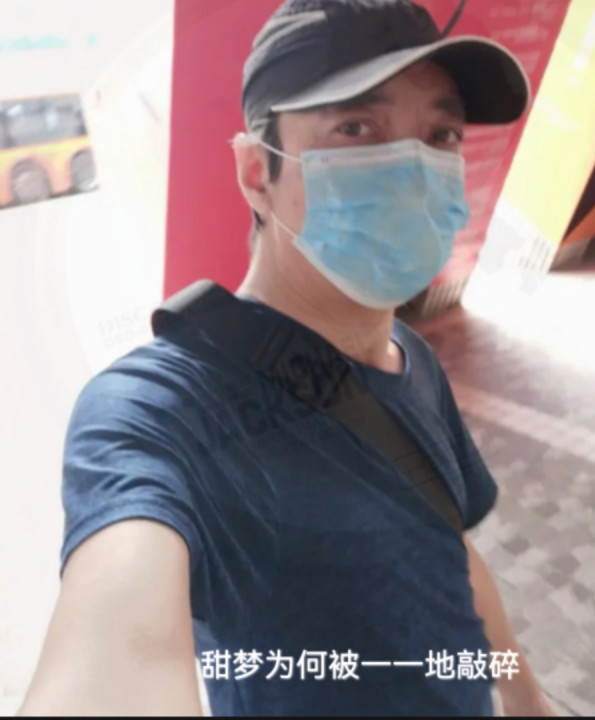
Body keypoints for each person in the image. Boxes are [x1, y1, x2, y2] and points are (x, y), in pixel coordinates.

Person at [19, 0, 555, 715]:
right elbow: (118, 651)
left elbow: (448, 550)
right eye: (356, 128)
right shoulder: (164, 412)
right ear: (256, 173)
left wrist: (527, 700)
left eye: (441, 134)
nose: (414, 170)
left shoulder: (414, 362)